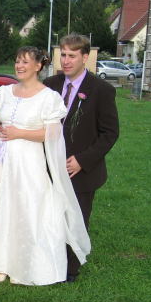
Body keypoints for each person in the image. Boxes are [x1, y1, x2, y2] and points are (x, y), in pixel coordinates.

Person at [0, 46, 90, 285]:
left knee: (25, 209)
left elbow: (52, 134)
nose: (19, 66)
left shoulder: (48, 97)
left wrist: (19, 133)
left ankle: (23, 264)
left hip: (27, 164)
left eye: (25, 62)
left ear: (38, 66)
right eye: (17, 61)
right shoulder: (5, 92)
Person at [43, 34, 119, 282]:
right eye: (63, 55)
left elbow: (110, 133)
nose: (66, 61)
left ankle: (71, 269)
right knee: (51, 216)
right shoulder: (50, 84)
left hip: (80, 170)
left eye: (72, 56)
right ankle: (50, 261)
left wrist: (83, 160)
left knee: (76, 218)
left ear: (85, 57)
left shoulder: (101, 90)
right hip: (50, 165)